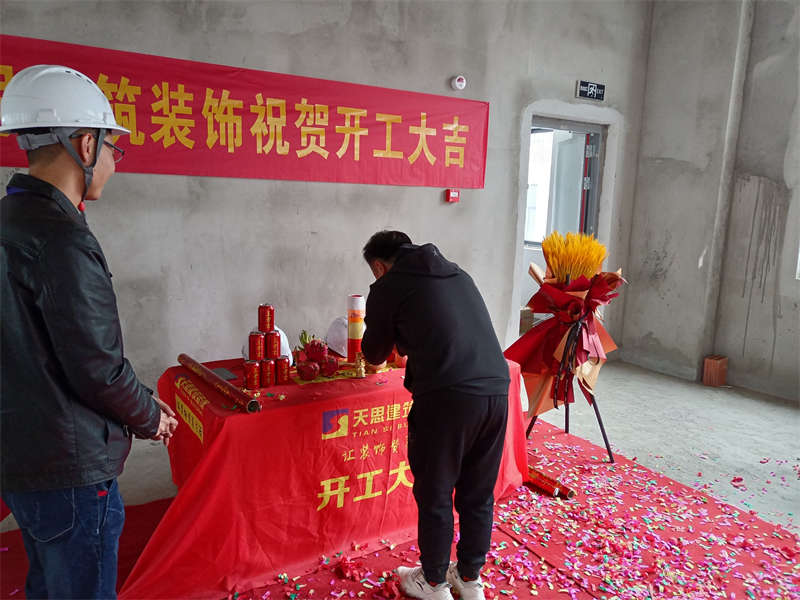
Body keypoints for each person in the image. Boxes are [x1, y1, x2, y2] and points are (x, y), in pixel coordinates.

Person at [0, 64, 178, 599]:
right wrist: (150, 416)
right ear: (85, 144)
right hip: (69, 466)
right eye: (112, 149)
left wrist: (138, 398)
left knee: (48, 582)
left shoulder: (9, 221)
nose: (113, 164)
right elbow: (96, 367)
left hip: (22, 453)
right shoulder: (62, 240)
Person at [360, 231, 510, 600]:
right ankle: (470, 578)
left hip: (447, 397)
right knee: (478, 493)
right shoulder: (458, 274)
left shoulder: (388, 286)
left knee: (436, 492)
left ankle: (432, 583)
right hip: (497, 390)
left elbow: (373, 353)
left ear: (378, 266)